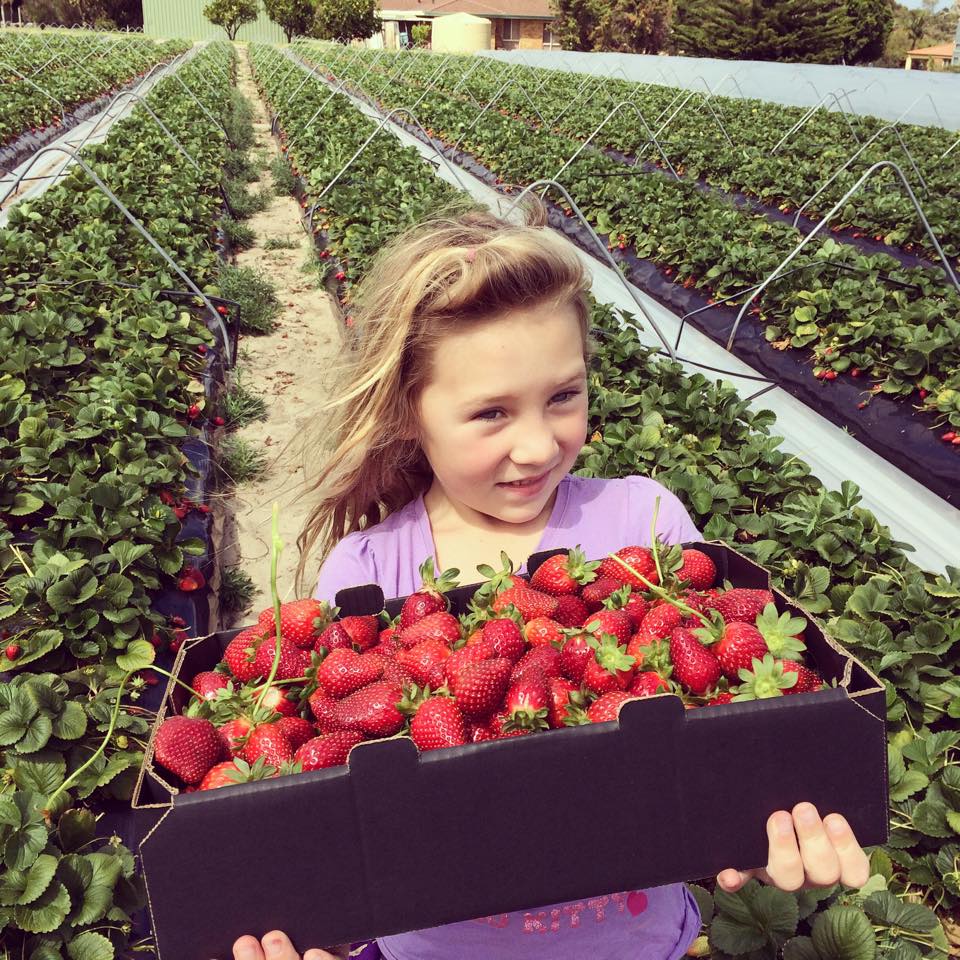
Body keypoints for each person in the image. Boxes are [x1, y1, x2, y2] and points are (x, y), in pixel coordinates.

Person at [229, 203, 871, 960]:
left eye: (563, 396)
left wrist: (757, 814)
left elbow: (719, 735)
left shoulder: (647, 527)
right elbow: (350, 817)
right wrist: (318, 932)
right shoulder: (366, 577)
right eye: (491, 412)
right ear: (408, 413)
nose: (537, 445)